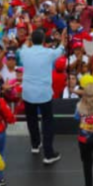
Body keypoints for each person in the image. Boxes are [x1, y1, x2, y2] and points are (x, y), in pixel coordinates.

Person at [18, 27, 66, 165]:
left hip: (28, 93)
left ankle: (35, 144)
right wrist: (62, 38)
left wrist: (28, 39)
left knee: (31, 119)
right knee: (47, 122)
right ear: (44, 40)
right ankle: (49, 153)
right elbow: (61, 49)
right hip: (44, 94)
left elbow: (24, 46)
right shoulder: (49, 53)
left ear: (31, 40)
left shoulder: (24, 52)